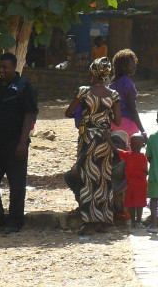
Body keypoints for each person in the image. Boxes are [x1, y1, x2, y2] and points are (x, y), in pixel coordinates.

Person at [0, 52, 38, 233]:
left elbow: (28, 114)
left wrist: (22, 142)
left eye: (5, 67)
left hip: (15, 144)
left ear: (13, 68)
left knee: (16, 184)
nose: (1, 71)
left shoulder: (24, 87)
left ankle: (15, 221)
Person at [65, 57, 122, 235]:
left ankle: (89, 222)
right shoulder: (113, 95)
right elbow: (118, 121)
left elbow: (68, 112)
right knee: (104, 178)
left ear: (92, 72)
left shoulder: (83, 91)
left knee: (87, 179)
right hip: (104, 140)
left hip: (87, 139)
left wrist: (87, 113)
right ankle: (105, 221)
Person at [111, 49, 147, 138]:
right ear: (124, 67)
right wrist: (143, 131)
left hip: (115, 124)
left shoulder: (112, 84)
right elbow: (133, 109)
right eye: (132, 64)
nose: (135, 66)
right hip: (128, 124)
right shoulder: (128, 83)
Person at [120, 134, 148, 227]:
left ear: (130, 144)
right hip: (141, 184)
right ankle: (139, 222)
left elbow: (116, 150)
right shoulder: (143, 157)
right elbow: (145, 170)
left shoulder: (128, 155)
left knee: (131, 204)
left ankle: (133, 222)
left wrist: (108, 139)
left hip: (130, 184)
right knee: (139, 204)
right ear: (143, 145)